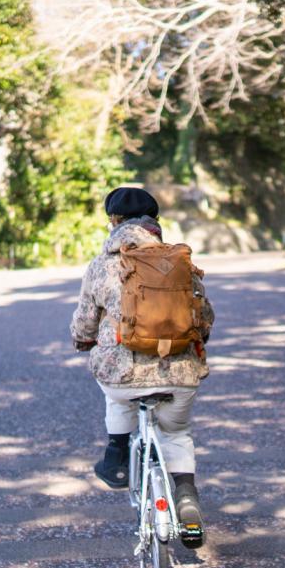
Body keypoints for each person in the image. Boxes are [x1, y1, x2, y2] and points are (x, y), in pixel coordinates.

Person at [70, 185, 212, 548]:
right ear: (155, 223)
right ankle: (186, 498)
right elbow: (204, 318)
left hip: (124, 374)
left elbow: (85, 321)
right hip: (179, 374)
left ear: (113, 222)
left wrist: (83, 340)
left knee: (116, 397)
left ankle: (116, 454)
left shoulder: (103, 265)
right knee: (177, 434)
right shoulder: (180, 262)